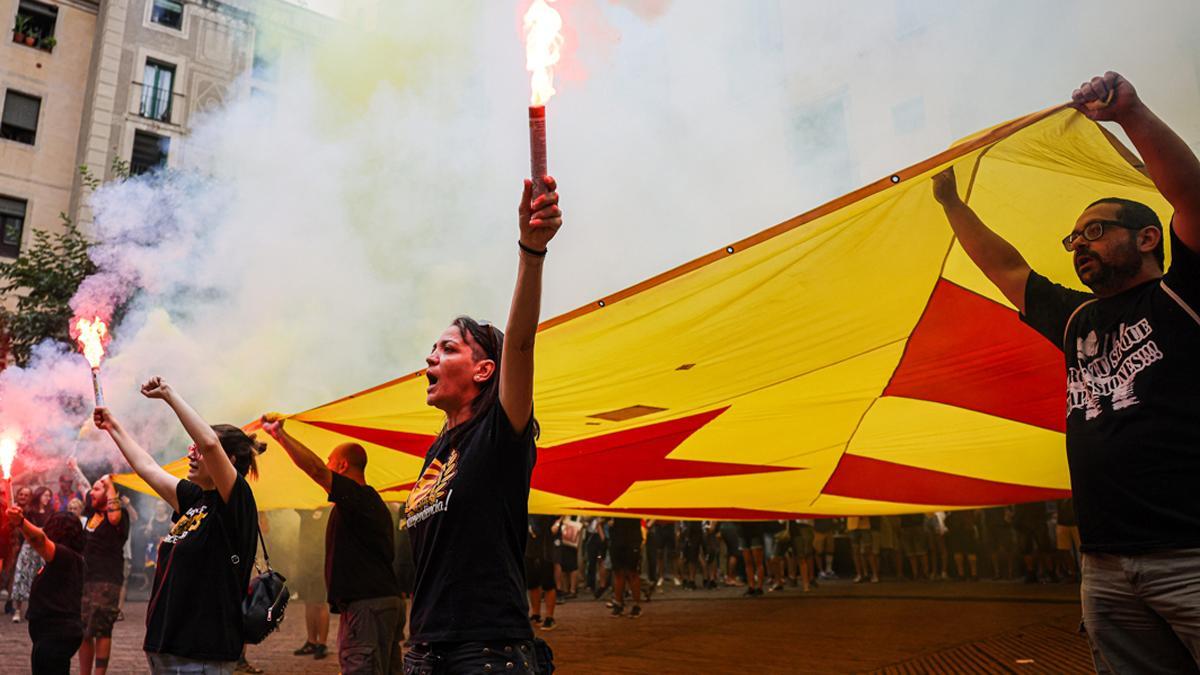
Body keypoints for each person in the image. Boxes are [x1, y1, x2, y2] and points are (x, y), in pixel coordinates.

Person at [933, 71, 1200, 671]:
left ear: (1149, 237)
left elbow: (1193, 196)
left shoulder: (1184, 296)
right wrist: (952, 204)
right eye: (1073, 238)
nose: (1079, 244)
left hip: (1193, 557)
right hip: (1104, 567)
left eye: (1096, 231)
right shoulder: (1077, 320)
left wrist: (1131, 114)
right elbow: (1005, 267)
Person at [399, 176, 562, 674]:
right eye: (434, 347)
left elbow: (520, 343)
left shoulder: (499, 435)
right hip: (424, 652)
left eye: (449, 348)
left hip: (486, 654)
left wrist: (530, 254)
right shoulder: (438, 451)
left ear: (483, 370)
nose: (431, 356)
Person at [94, 377, 265, 673]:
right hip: (167, 647)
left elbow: (210, 444)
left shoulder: (236, 504)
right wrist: (112, 426)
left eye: (197, 449)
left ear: (228, 460)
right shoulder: (194, 498)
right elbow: (147, 467)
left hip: (202, 653)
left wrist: (169, 395)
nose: (192, 453)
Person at [260, 421, 403, 674]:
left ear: (342, 465)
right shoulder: (369, 502)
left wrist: (279, 435)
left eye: (330, 460)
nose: (327, 465)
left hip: (366, 605)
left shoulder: (357, 497)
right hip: (381, 602)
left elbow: (315, 469)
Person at [7, 507, 86, 674]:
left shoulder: (65, 556)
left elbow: (39, 540)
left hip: (57, 634)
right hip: (52, 634)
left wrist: (21, 522)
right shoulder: (68, 559)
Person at [79, 474, 129, 675]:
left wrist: (109, 485)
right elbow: (83, 487)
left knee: (101, 629)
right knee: (83, 631)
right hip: (86, 579)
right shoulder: (91, 515)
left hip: (106, 580)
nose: (92, 491)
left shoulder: (119, 515)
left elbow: (114, 516)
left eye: (99, 488)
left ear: (110, 493)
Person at [289, 507, 331, 661]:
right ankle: (311, 641)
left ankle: (322, 643)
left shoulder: (328, 508)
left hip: (321, 561)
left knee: (320, 603)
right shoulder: (304, 507)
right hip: (305, 561)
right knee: (308, 603)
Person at [11, 485, 52, 623]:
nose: (48, 498)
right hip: (29, 547)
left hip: (42, 548)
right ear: (39, 495)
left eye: (49, 496)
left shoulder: (50, 511)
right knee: (22, 576)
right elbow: (22, 527)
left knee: (38, 578)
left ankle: (34, 609)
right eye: (46, 495)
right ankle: (17, 610)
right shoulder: (29, 511)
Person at [525, 514, 558, 630]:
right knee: (532, 583)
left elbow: (561, 513)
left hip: (545, 547)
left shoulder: (549, 501)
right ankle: (536, 614)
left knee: (548, 583)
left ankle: (549, 617)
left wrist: (558, 523)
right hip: (529, 547)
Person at [606, 517, 643, 619]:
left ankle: (636, 605)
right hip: (616, 539)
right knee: (618, 572)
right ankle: (618, 604)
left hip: (632, 538)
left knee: (632, 572)